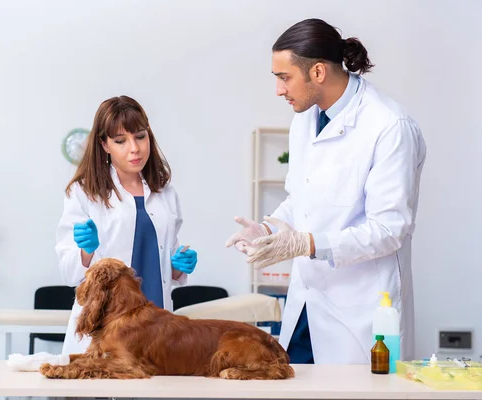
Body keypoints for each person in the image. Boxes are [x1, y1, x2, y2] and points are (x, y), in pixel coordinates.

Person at [226, 18, 426, 365]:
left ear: (317, 72)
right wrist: (269, 230)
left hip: (359, 309)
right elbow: (300, 200)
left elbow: (389, 230)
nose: (278, 90)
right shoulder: (306, 117)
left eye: (284, 77)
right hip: (307, 301)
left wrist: (308, 244)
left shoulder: (389, 126)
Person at [56, 95, 197, 355]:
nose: (135, 148)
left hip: (156, 325)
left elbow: (167, 267)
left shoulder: (165, 193)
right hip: (107, 327)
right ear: (104, 145)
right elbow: (69, 274)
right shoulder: (84, 192)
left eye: (140, 137)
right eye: (121, 141)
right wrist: (86, 250)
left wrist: (178, 267)